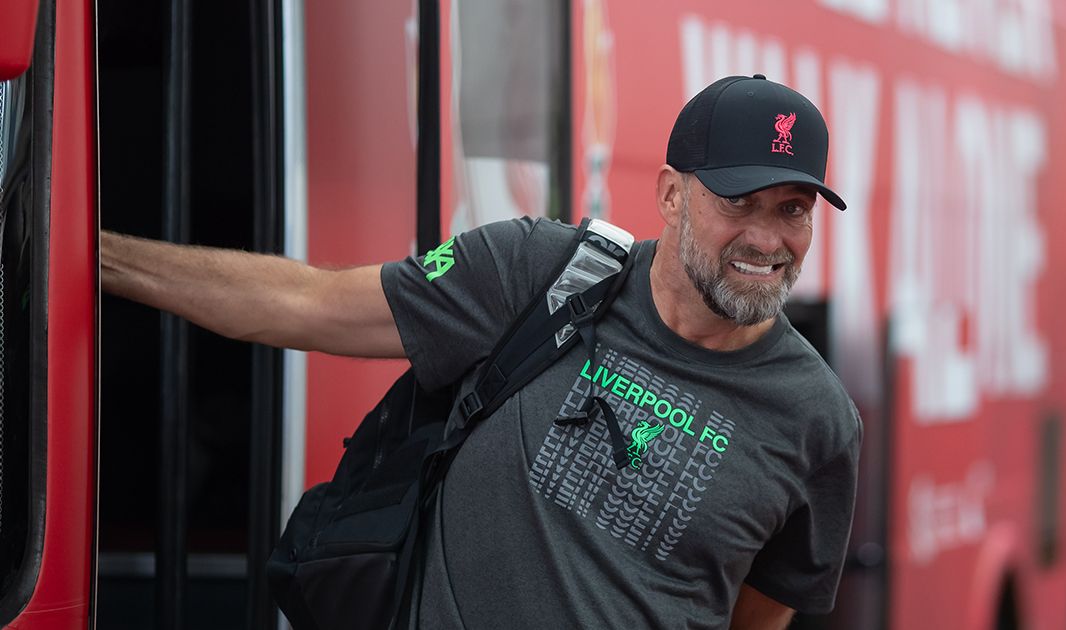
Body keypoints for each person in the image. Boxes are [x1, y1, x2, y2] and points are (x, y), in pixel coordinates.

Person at [102, 74, 862, 629]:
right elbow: (306, 303)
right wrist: (93, 255)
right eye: (738, 202)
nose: (767, 240)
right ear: (670, 195)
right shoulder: (538, 271)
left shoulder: (817, 422)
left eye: (793, 209)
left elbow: (755, 616)